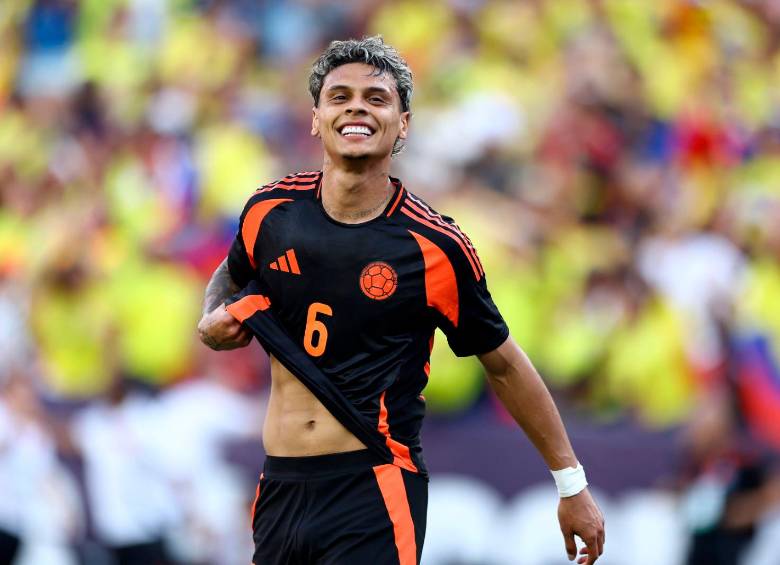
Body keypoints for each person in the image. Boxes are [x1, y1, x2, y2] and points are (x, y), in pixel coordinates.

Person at [198, 36, 605, 565]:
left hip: (372, 484)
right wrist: (210, 321)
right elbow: (229, 277)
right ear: (317, 118)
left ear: (403, 124)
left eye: (376, 98)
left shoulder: (434, 247)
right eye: (339, 96)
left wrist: (570, 483)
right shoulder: (269, 213)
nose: (357, 108)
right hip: (280, 485)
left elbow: (503, 363)